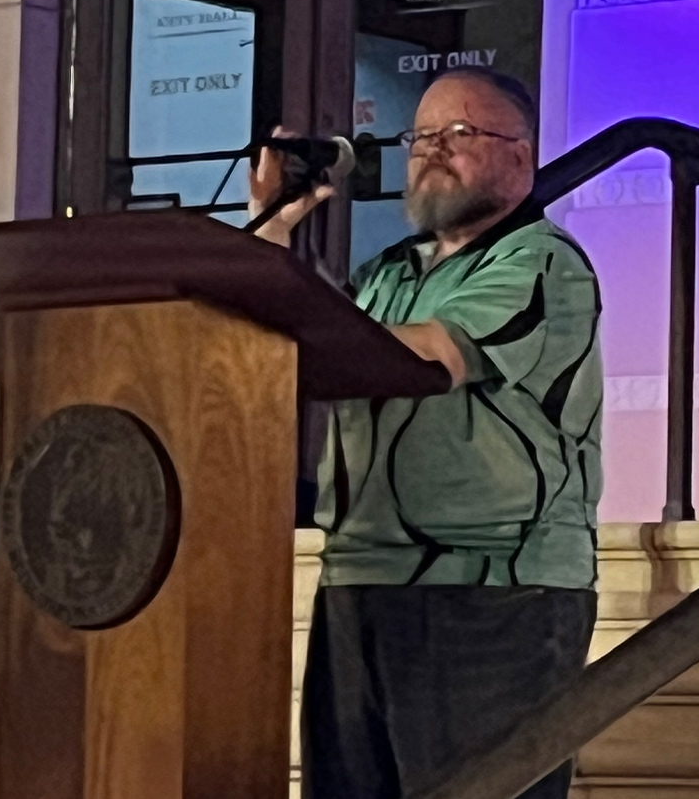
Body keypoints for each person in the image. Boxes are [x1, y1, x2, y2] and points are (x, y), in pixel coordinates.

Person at [250, 67, 602, 799]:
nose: (432, 149)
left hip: (491, 596)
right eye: (421, 136)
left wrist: (307, 323)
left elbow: (432, 355)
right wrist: (272, 233)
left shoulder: (540, 263)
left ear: (521, 157)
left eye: (461, 134)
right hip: (360, 583)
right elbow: (307, 341)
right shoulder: (388, 274)